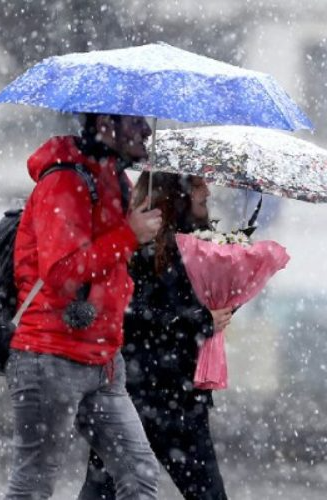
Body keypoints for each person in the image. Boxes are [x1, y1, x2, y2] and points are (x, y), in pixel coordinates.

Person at [6, 113, 163, 499]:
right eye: (134, 121)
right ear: (105, 124)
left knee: (139, 475)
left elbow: (112, 266)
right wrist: (128, 234)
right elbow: (62, 272)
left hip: (104, 359)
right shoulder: (65, 181)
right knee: (34, 484)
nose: (146, 130)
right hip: (50, 354)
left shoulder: (115, 181)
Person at [79, 171, 232, 500]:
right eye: (196, 182)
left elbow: (196, 313)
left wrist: (224, 303)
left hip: (182, 398)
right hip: (135, 394)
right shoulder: (138, 246)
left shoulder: (205, 245)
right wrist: (198, 320)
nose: (207, 188)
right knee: (103, 490)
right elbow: (132, 314)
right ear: (175, 193)